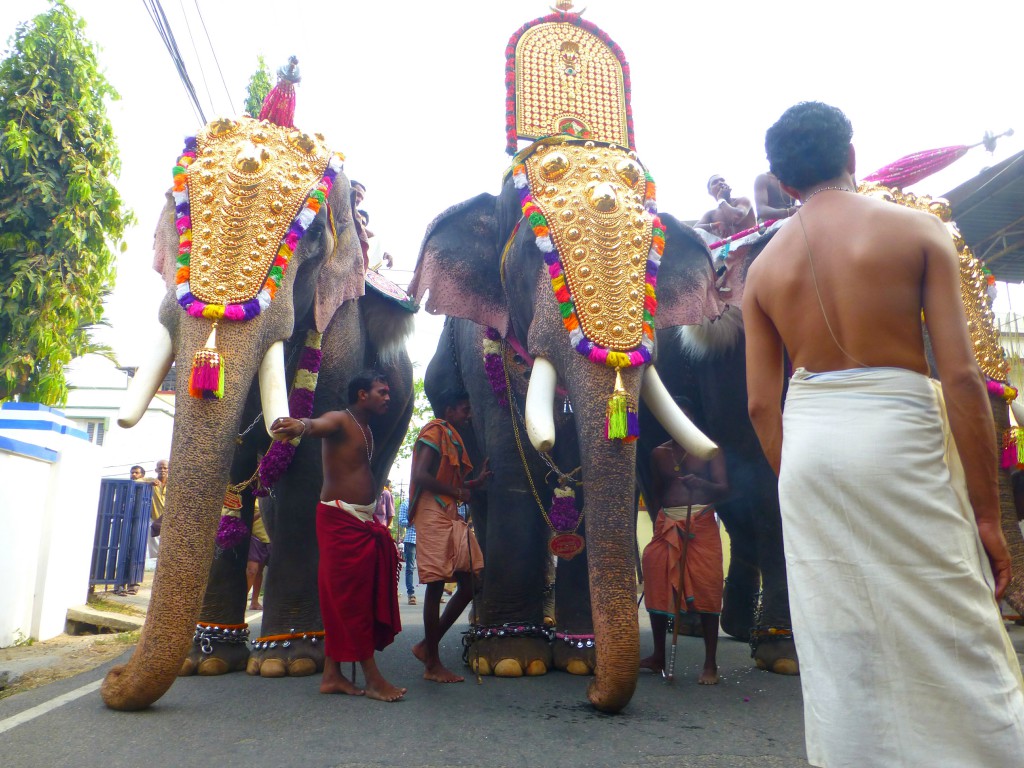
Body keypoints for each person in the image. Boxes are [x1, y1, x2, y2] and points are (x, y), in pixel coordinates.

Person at [744, 101, 1024, 766]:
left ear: (783, 184)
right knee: (953, 618)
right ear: (851, 157)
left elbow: (761, 406)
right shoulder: (915, 231)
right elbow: (961, 378)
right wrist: (988, 516)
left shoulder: (760, 270)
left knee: (843, 640)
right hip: (898, 434)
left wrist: (803, 486)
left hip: (808, 448)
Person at [269, 370, 405, 702]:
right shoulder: (341, 421)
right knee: (351, 600)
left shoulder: (366, 428)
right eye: (381, 391)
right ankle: (372, 679)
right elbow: (318, 424)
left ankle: (332, 676)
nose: (388, 397)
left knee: (344, 598)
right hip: (339, 521)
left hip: (360, 523)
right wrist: (301, 425)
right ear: (362, 394)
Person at [409, 391, 492, 683]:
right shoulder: (435, 431)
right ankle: (432, 664)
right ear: (449, 409)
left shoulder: (451, 436)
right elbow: (421, 476)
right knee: (435, 585)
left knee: (470, 582)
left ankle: (425, 647)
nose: (468, 415)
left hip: (448, 511)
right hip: (432, 511)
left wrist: (474, 483)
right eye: (464, 409)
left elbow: (447, 481)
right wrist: (458, 491)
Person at [639, 436, 728, 685]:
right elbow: (655, 491)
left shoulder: (710, 449)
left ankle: (710, 663)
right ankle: (658, 656)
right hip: (667, 522)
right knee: (655, 575)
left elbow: (724, 489)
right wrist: (661, 521)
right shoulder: (659, 452)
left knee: (708, 587)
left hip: (700, 522)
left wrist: (701, 484)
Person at [695, 174, 755, 239]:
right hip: (726, 247)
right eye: (715, 182)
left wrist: (721, 199)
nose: (720, 182)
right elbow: (695, 229)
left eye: (722, 180)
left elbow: (736, 217)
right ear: (710, 192)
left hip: (751, 243)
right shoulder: (711, 214)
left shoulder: (743, 200)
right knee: (698, 232)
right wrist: (716, 225)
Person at [246, 501, 271, 611]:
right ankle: (242, 600)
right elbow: (246, 521)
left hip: (269, 538)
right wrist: (262, 512)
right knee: (252, 570)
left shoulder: (273, 497)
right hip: (255, 538)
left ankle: (254, 602)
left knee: (259, 571)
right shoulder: (254, 499)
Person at [397, 496, 416, 605]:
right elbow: (401, 521)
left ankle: (435, 594)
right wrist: (411, 521)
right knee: (410, 568)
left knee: (431, 567)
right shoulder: (406, 504)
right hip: (411, 538)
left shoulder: (425, 502)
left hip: (426, 538)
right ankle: (411, 594)